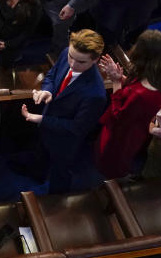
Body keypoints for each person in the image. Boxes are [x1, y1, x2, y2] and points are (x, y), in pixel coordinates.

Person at [22, 29, 107, 193]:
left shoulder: (96, 94)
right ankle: (37, 174)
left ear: (95, 60)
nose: (73, 65)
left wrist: (41, 119)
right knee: (41, 156)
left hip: (64, 142)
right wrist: (48, 91)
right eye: (71, 58)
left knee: (59, 177)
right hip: (47, 124)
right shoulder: (68, 52)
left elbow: (77, 128)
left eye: (81, 62)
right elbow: (52, 76)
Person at [94, 29, 161, 178]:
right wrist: (119, 76)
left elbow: (118, 114)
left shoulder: (140, 94)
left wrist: (116, 81)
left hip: (124, 131)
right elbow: (135, 86)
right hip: (137, 125)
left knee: (114, 157)